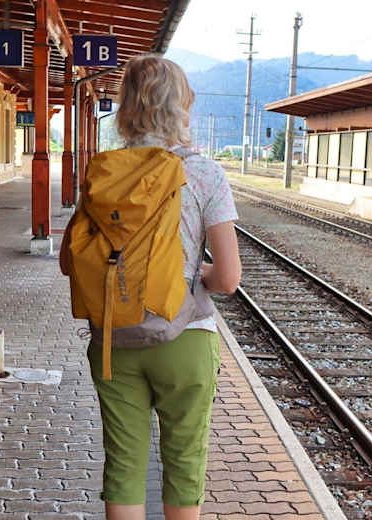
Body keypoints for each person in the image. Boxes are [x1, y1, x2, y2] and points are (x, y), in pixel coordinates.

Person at [60, 55, 241, 520]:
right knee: (183, 464)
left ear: (125, 108)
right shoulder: (204, 173)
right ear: (181, 106)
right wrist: (195, 274)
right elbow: (228, 279)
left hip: (114, 339)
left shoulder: (103, 172)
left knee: (124, 467)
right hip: (186, 336)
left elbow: (68, 261)